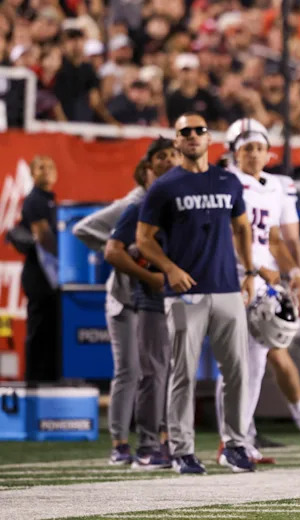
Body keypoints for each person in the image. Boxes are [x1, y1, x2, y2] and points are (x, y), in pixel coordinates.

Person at [135, 113, 256, 474]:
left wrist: (248, 272)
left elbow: (243, 228)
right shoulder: (164, 186)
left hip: (227, 288)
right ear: (177, 141)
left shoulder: (228, 181)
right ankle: (183, 450)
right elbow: (143, 239)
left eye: (199, 130)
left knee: (237, 372)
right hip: (184, 293)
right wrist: (170, 268)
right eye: (184, 131)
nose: (192, 135)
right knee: (183, 374)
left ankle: (235, 445)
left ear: (209, 137)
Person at [214, 121, 300, 465]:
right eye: (246, 148)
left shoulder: (274, 187)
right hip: (234, 277)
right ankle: (229, 440)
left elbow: (273, 238)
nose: (253, 154)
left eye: (258, 148)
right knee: (234, 363)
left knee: (254, 363)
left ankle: (243, 439)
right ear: (234, 152)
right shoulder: (226, 181)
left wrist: (293, 272)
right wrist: (254, 267)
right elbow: (225, 233)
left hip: (262, 282)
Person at [102, 139, 182, 469]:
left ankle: (170, 438)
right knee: (141, 371)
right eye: (161, 157)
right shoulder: (138, 204)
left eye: (172, 155)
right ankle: (135, 443)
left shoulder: (182, 202)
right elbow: (108, 247)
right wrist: (149, 272)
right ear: (148, 168)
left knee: (173, 370)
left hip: (179, 295)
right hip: (138, 296)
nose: (168, 161)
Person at [19, 155, 59, 383]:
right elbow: (45, 240)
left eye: (50, 166)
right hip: (39, 276)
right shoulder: (34, 200)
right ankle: (33, 381)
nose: (46, 171)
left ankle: (49, 379)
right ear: (33, 173)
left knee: (50, 328)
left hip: (50, 276)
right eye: (41, 167)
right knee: (39, 328)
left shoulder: (49, 199)